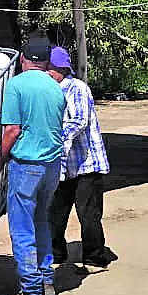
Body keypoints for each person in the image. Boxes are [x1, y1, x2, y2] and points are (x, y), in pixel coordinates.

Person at [0, 34, 66, 295]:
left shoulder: (17, 85)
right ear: (46, 61)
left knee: (22, 230)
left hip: (27, 166)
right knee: (40, 222)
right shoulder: (56, 87)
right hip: (52, 167)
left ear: (23, 59)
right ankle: (46, 281)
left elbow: (12, 130)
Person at [46, 46, 117, 269]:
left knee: (89, 214)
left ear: (62, 68)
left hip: (86, 164)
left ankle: (94, 255)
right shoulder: (50, 90)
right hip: (64, 165)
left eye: (51, 68)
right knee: (55, 212)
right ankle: (56, 252)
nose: (47, 72)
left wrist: (54, 138)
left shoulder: (76, 88)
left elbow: (78, 120)